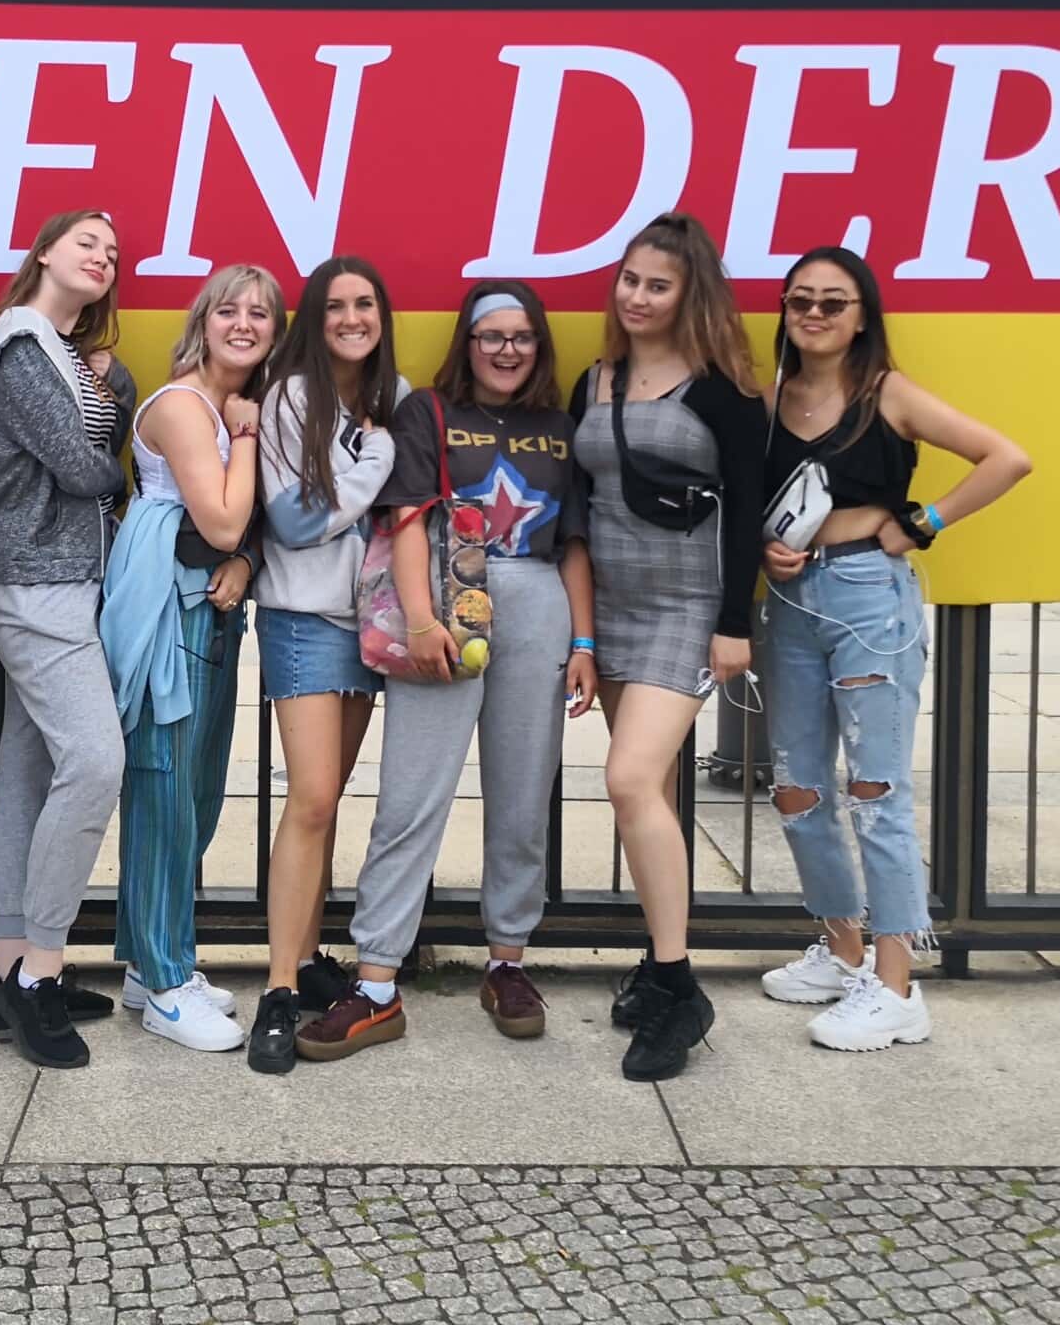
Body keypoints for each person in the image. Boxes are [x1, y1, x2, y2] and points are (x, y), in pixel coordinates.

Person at [295, 282, 597, 1064]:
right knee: (410, 795)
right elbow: (405, 519)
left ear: (539, 345)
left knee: (524, 791)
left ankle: (508, 959)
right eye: (490, 336)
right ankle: (377, 982)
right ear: (467, 342)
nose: (506, 350)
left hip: (536, 603)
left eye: (521, 337)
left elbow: (572, 545)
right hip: (445, 597)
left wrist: (587, 644)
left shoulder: (562, 427)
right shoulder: (429, 411)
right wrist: (422, 619)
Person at [756, 245, 1030, 1052]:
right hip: (789, 601)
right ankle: (842, 951)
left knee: (875, 791)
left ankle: (898, 981)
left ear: (863, 315)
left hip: (869, 599)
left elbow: (1006, 458)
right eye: (800, 300)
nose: (813, 314)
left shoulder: (887, 394)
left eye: (832, 303)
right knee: (797, 788)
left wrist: (923, 524)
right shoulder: (770, 396)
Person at [569, 211, 766, 1082]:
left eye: (658, 284)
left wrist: (735, 621)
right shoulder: (594, 380)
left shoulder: (722, 389)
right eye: (630, 280)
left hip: (686, 609)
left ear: (691, 294)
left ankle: (680, 990)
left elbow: (749, 514)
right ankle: (658, 965)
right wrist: (580, 631)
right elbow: (577, 511)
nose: (637, 297)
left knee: (628, 779)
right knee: (648, 793)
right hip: (611, 607)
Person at [0, 208, 132, 1068]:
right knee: (97, 763)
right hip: (33, 579)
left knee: (29, 768)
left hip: (59, 576)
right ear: (45, 254)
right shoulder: (24, 347)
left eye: (111, 251)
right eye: (85, 243)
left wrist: (107, 396)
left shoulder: (62, 353)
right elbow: (87, 465)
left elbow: (107, 423)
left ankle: (5, 971)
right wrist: (111, 452)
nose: (101, 257)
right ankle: (40, 975)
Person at [100, 263, 283, 1052]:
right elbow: (217, 518)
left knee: (198, 790)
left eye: (262, 315)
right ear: (203, 321)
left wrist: (243, 563)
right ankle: (166, 984)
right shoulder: (185, 406)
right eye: (229, 310)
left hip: (209, 606)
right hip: (166, 606)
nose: (243, 324)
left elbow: (242, 531)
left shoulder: (233, 404)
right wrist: (244, 434)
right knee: (164, 789)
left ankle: (152, 957)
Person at [244, 257, 406, 1074]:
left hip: (370, 624)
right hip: (304, 620)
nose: (351, 317)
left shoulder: (393, 399)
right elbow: (296, 520)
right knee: (309, 799)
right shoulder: (290, 395)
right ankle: (277, 991)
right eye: (336, 305)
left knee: (328, 799)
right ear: (316, 316)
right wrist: (372, 463)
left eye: (364, 304)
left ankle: (306, 959)